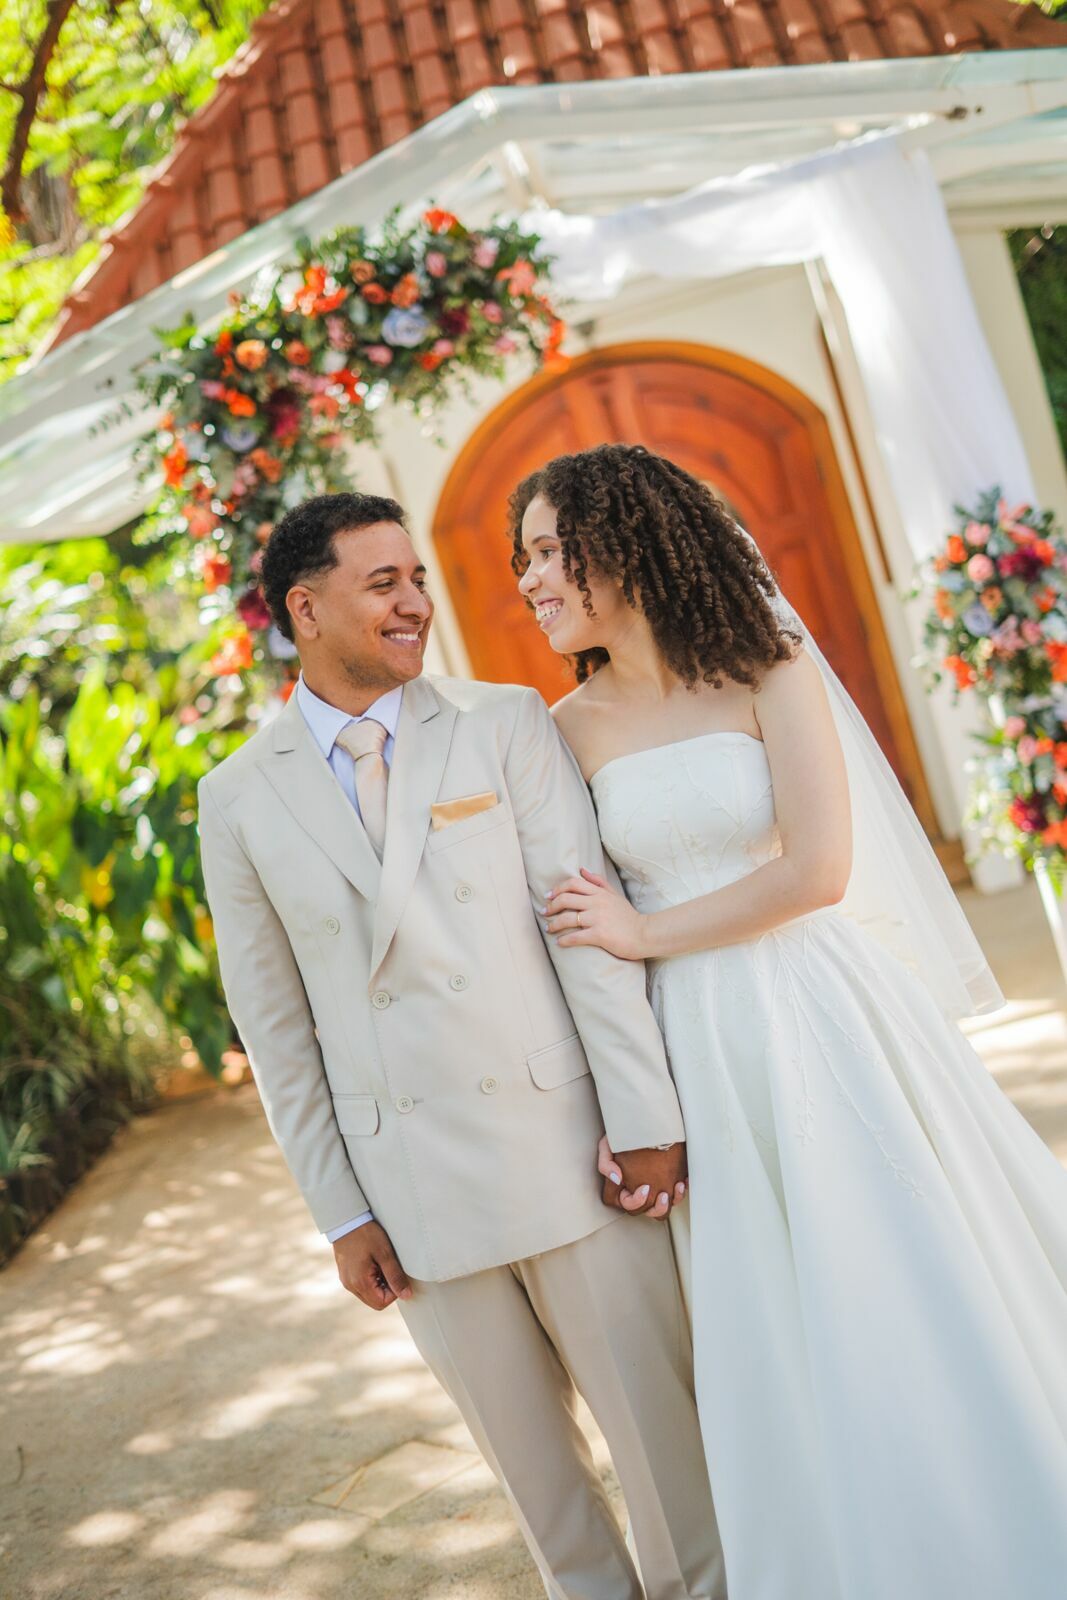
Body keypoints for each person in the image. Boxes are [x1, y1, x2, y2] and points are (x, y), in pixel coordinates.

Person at [511, 442, 1067, 1600]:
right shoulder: (563, 729)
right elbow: (563, 923)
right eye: (522, 560)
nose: (530, 581)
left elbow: (817, 869)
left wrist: (643, 932)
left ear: (625, 543)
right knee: (769, 1302)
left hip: (816, 1009)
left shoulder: (767, 669)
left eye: (549, 551)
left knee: (899, 1259)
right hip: (691, 1047)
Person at [196, 491, 725, 1600]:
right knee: (548, 1504)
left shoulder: (502, 721)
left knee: (673, 1471)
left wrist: (644, 1122)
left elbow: (584, 932)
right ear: (306, 606)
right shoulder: (237, 798)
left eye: (419, 578)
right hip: (414, 1194)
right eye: (382, 582)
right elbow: (275, 1028)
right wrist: (340, 1211)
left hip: (575, 1155)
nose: (414, 602)